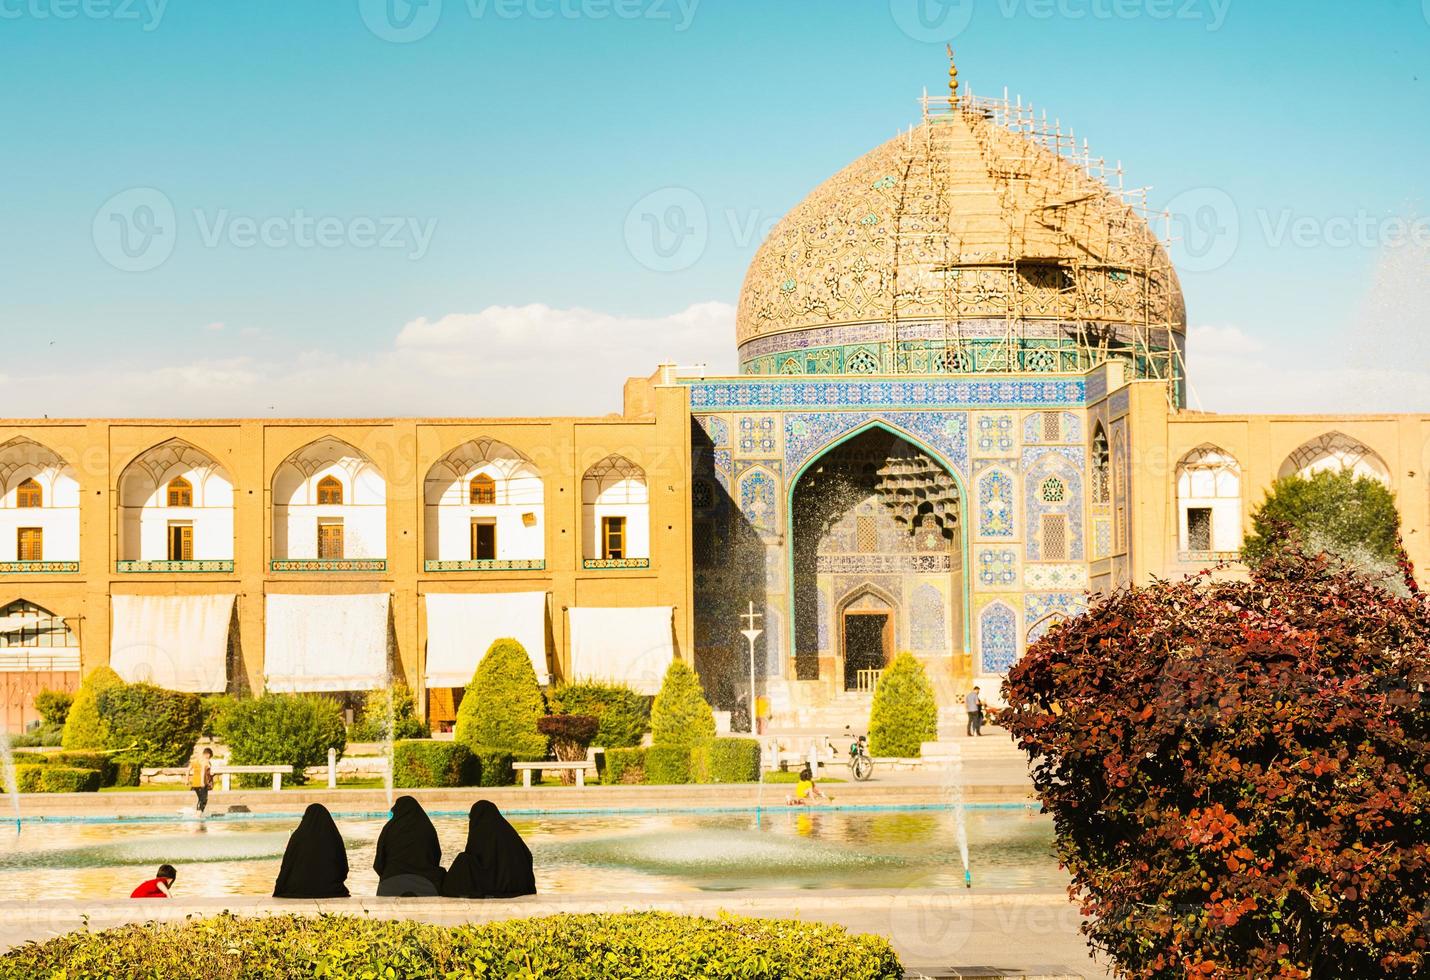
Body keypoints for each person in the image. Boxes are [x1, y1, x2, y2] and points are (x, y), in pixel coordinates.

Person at [440, 800, 536, 899]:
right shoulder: (508, 832)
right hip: (521, 886)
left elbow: (475, 858)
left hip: (497, 886)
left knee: (463, 860)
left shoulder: (481, 831)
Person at [273, 804, 350, 898]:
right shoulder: (333, 837)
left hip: (298, 888)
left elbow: (287, 866)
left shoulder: (298, 837)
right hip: (330, 888)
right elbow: (343, 868)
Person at [374, 795, 445, 897]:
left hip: (390, 885)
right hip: (426, 884)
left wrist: (391, 874)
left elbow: (379, 863)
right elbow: (435, 856)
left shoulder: (389, 829)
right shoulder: (427, 828)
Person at [189, 747, 214, 816]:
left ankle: (197, 813)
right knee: (204, 800)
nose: (209, 758)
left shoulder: (196, 760)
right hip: (202, 783)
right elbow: (203, 771)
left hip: (195, 783)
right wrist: (202, 782)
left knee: (201, 799)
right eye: (210, 756)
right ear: (208, 754)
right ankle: (198, 815)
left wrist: (186, 779)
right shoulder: (205, 761)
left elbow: (188, 770)